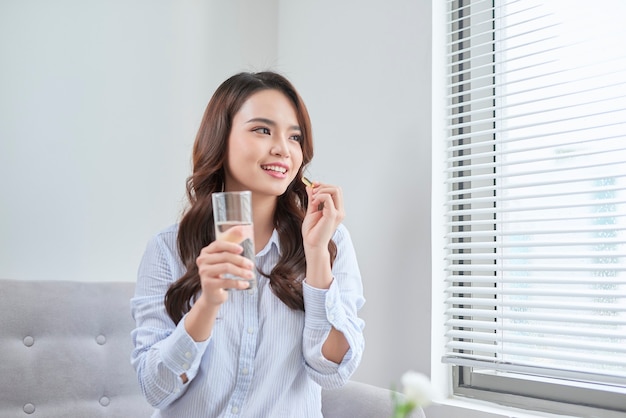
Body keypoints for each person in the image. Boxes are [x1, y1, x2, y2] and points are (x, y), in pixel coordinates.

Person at [130, 71, 365, 417]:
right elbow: (155, 387)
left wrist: (316, 256)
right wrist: (207, 304)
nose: (283, 149)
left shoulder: (329, 239)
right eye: (262, 130)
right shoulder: (169, 248)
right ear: (220, 140)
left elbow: (331, 371)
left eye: (295, 137)